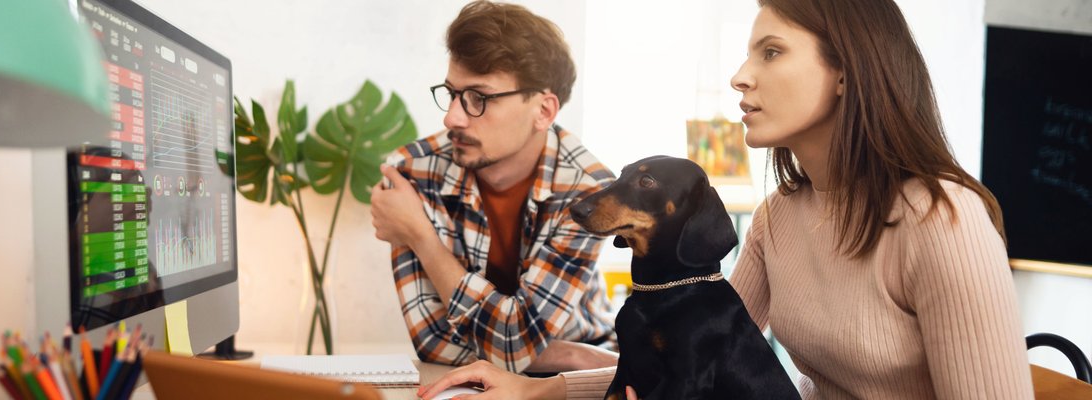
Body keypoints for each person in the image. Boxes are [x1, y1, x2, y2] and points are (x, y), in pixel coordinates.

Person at [419, 0, 1033, 398]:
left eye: (771, 52)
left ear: (846, 72)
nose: (741, 75)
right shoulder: (780, 217)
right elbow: (696, 352)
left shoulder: (942, 221)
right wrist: (532, 391)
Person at [369, 0, 619, 374]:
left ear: (544, 111)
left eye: (478, 98)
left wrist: (421, 236)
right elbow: (433, 341)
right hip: (559, 363)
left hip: (586, 375)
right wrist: (566, 353)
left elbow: (514, 342)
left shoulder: (588, 190)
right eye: (452, 93)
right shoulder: (411, 175)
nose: (452, 116)